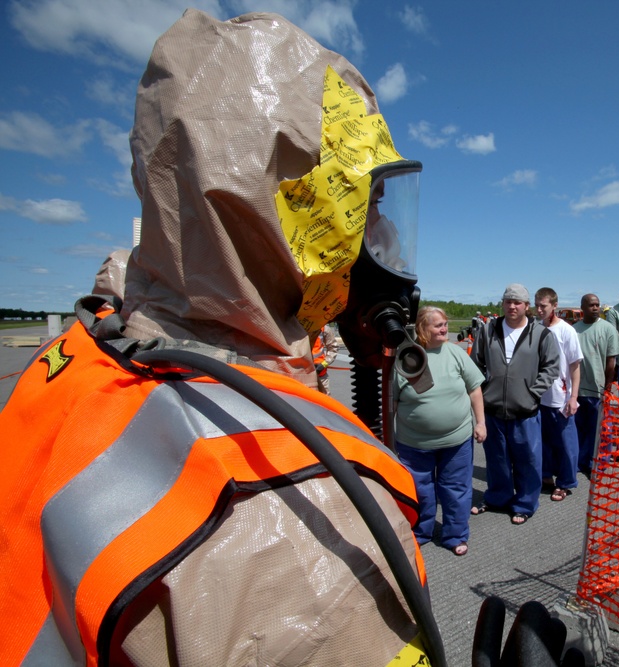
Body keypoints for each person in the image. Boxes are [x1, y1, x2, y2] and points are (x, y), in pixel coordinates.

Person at [0, 10, 447, 667]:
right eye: (365, 207)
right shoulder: (294, 507)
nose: (377, 240)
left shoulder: (90, 344)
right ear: (299, 213)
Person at [394, 306, 486, 556]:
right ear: (423, 328)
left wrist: (480, 422)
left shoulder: (455, 353)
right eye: (438, 325)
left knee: (456, 488)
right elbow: (392, 401)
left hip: (456, 440)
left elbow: (475, 389)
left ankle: (455, 535)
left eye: (445, 324)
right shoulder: (406, 357)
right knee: (419, 489)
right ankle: (420, 532)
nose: (445, 328)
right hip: (414, 444)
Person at [471, 283, 560, 525]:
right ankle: (497, 498)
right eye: (508, 301)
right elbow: (475, 364)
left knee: (528, 459)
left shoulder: (541, 334)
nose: (512, 306)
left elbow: (552, 368)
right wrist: (483, 388)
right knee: (496, 458)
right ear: (502, 304)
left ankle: (524, 504)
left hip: (525, 410)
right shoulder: (488, 330)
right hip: (493, 409)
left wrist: (532, 393)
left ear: (527, 306)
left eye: (517, 302)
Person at [534, 287, 584, 502]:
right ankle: (545, 476)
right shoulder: (535, 329)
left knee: (565, 442)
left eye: (543, 306)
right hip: (538, 396)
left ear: (554, 305)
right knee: (542, 440)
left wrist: (573, 397)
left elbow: (574, 366)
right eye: (536, 305)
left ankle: (565, 481)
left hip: (560, 396)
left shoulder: (566, 331)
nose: (538, 309)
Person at [573, 293, 619, 477]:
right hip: (578, 390)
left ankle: (599, 464)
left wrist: (608, 387)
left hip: (599, 389)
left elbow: (611, 361)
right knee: (580, 428)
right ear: (582, 308)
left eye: (597, 305)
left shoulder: (608, 329)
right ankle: (580, 462)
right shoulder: (574, 330)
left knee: (600, 430)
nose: (595, 308)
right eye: (591, 305)